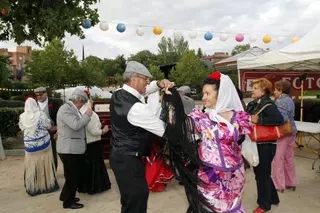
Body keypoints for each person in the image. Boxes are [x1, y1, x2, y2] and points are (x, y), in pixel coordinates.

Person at [161, 72, 252, 212]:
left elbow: (239, 136)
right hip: (209, 174)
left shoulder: (240, 117)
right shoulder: (202, 117)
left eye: (207, 94)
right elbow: (180, 125)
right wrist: (172, 99)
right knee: (209, 208)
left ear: (220, 94)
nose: (203, 97)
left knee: (231, 207)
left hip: (234, 175)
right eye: (203, 93)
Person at [110, 61, 174, 213]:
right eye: (145, 79)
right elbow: (164, 130)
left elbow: (146, 90)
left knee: (132, 199)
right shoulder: (136, 108)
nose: (147, 83)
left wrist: (158, 84)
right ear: (134, 79)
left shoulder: (120, 94)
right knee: (136, 201)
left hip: (123, 156)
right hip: (129, 159)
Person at [246, 78, 284, 213]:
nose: (252, 90)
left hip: (266, 145)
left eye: (255, 88)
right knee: (263, 174)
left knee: (262, 175)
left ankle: (264, 205)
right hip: (260, 144)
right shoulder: (256, 103)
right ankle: (273, 198)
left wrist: (260, 120)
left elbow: (279, 119)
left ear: (263, 91)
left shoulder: (268, 104)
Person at [56, 88, 93, 209]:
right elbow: (76, 125)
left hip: (71, 148)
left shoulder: (70, 108)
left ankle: (66, 195)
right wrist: (87, 115)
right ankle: (68, 202)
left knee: (72, 175)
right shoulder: (66, 109)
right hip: (68, 149)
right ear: (78, 100)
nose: (82, 105)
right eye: (83, 102)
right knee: (73, 176)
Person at [19, 97, 59, 196]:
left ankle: (33, 186)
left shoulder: (22, 116)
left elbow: (22, 128)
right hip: (44, 145)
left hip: (30, 147)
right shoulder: (41, 114)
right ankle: (48, 185)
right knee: (46, 164)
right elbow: (49, 126)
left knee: (32, 165)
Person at [78, 93, 112, 194]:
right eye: (91, 99)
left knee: (86, 166)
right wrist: (103, 131)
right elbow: (94, 131)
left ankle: (85, 186)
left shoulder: (80, 111)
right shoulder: (89, 113)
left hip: (85, 142)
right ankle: (95, 187)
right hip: (93, 142)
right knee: (94, 165)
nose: (92, 101)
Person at [272, 80, 297, 192]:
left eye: (276, 89)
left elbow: (282, 118)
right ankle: (291, 182)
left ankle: (279, 185)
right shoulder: (290, 100)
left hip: (283, 133)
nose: (274, 92)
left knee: (278, 159)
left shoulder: (280, 101)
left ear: (280, 91)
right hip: (292, 131)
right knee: (289, 158)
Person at [34, 87, 62, 169]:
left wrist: (57, 127)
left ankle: (53, 170)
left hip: (52, 131)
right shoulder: (34, 104)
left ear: (46, 93)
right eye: (37, 95)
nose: (39, 96)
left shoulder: (55, 102)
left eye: (40, 94)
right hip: (38, 133)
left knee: (52, 152)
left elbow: (60, 117)